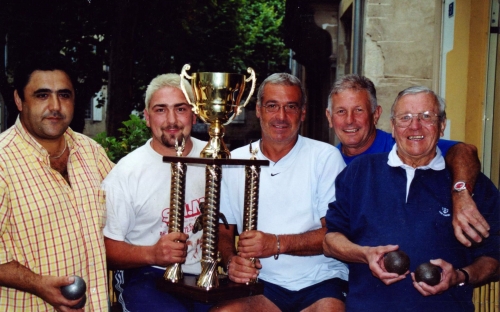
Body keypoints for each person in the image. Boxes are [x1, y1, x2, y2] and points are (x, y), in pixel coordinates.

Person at [323, 86, 499, 311]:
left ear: (442, 125)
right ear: (393, 127)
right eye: (405, 118)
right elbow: (330, 241)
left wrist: (460, 276)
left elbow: (495, 257)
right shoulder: (360, 172)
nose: (415, 126)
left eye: (426, 117)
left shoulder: (469, 184)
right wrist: (365, 254)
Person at [213, 73, 349, 312]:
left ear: (303, 113)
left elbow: (333, 233)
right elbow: (224, 231)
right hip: (260, 283)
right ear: (258, 110)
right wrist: (231, 261)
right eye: (272, 106)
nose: (281, 117)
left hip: (320, 280)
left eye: (291, 107)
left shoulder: (325, 158)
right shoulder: (234, 161)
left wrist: (276, 244)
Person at [0, 52, 113, 311]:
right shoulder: (2, 163)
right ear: (19, 100)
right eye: (42, 95)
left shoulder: (91, 152)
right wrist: (37, 283)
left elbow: (129, 210)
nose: (55, 106)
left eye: (64, 95)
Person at [325, 74, 489, 247]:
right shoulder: (328, 161)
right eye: (341, 111)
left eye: (359, 110)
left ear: (376, 114)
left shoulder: (406, 145)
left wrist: (461, 193)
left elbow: (464, 151)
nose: (350, 120)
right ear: (329, 117)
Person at [102, 73, 210, 311]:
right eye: (161, 110)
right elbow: (107, 249)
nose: (171, 119)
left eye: (180, 108)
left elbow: (226, 224)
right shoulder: (127, 173)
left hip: (204, 275)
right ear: (147, 118)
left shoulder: (214, 159)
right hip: (146, 275)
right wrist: (153, 254)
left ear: (193, 114)